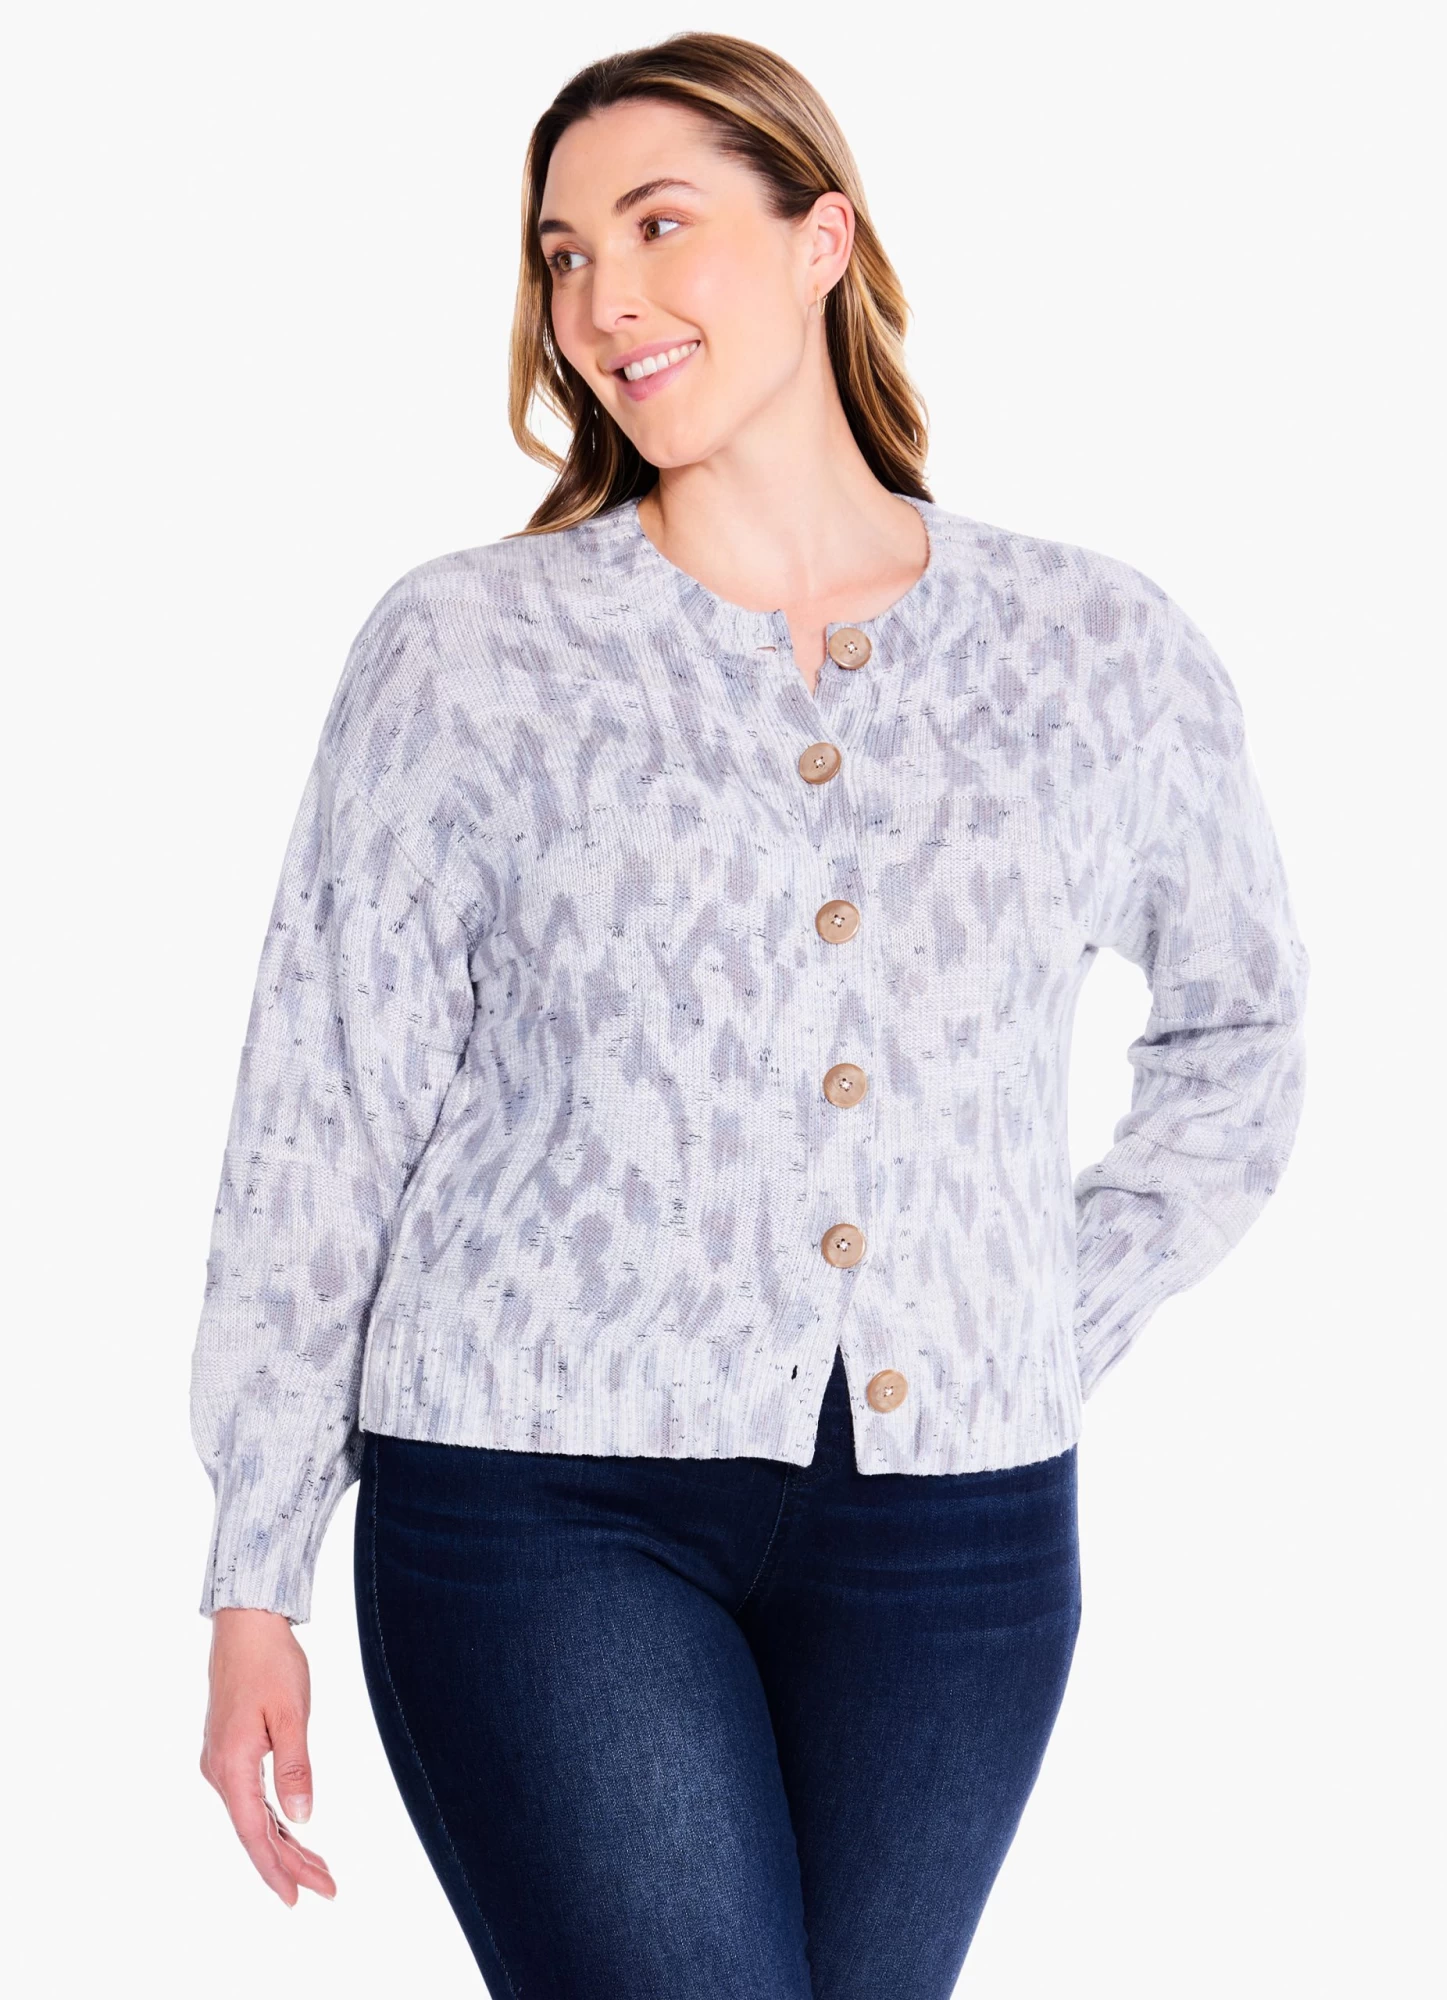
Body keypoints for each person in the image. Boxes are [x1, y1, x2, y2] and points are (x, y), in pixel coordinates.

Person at [191, 31, 1311, 2000]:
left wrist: (1033, 1312)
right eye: (561, 255)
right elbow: (327, 1098)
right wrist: (254, 1564)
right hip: (533, 1501)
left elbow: (1243, 1038)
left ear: (823, 242)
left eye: (658, 226)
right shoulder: (470, 649)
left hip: (959, 1543)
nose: (600, 299)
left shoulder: (1097, 650)